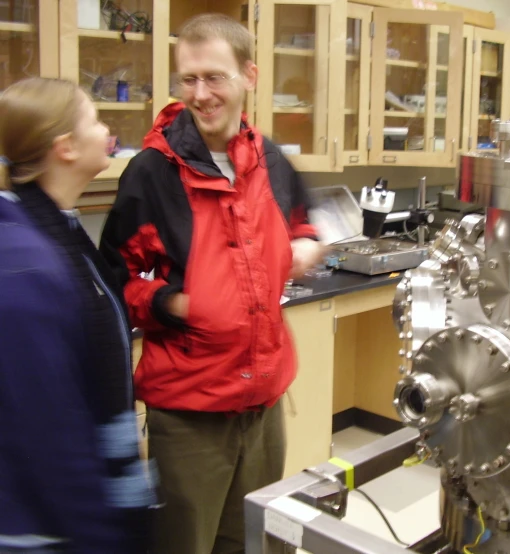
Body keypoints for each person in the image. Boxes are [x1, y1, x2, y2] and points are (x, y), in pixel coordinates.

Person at [99, 13, 324, 554]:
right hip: (191, 409)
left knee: (255, 541)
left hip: (264, 401)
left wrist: (308, 242)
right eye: (189, 79)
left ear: (249, 75)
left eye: (214, 77)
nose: (201, 94)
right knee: (188, 544)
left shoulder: (270, 158)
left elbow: (302, 220)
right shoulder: (153, 173)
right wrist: (172, 302)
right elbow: (111, 280)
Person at [0, 78, 155, 553]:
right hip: (43, 532)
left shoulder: (58, 235)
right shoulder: (24, 261)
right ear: (65, 147)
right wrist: (101, 534)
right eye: (95, 120)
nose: (107, 130)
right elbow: (50, 431)